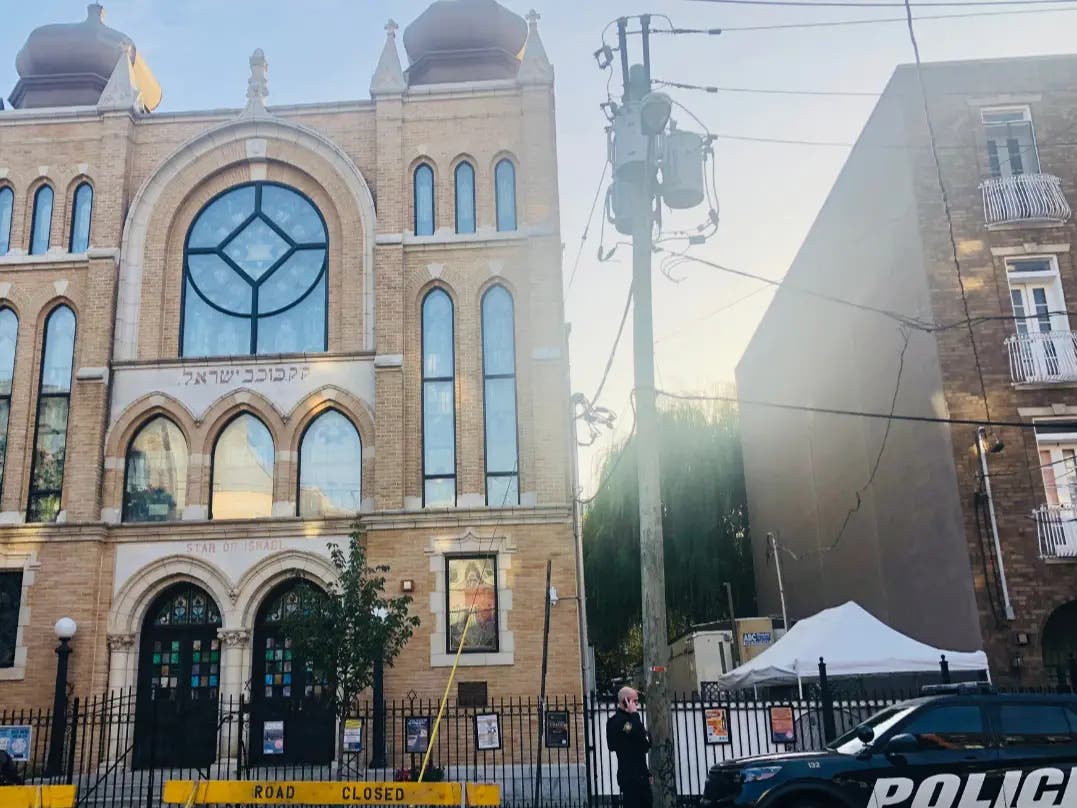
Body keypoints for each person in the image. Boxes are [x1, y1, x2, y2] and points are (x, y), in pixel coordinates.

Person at [605, 686, 652, 808]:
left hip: (642, 777)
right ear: (626, 700)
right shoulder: (615, 721)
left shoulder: (633, 719)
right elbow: (613, 744)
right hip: (629, 779)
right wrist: (634, 715)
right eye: (635, 701)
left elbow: (645, 745)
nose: (637, 704)